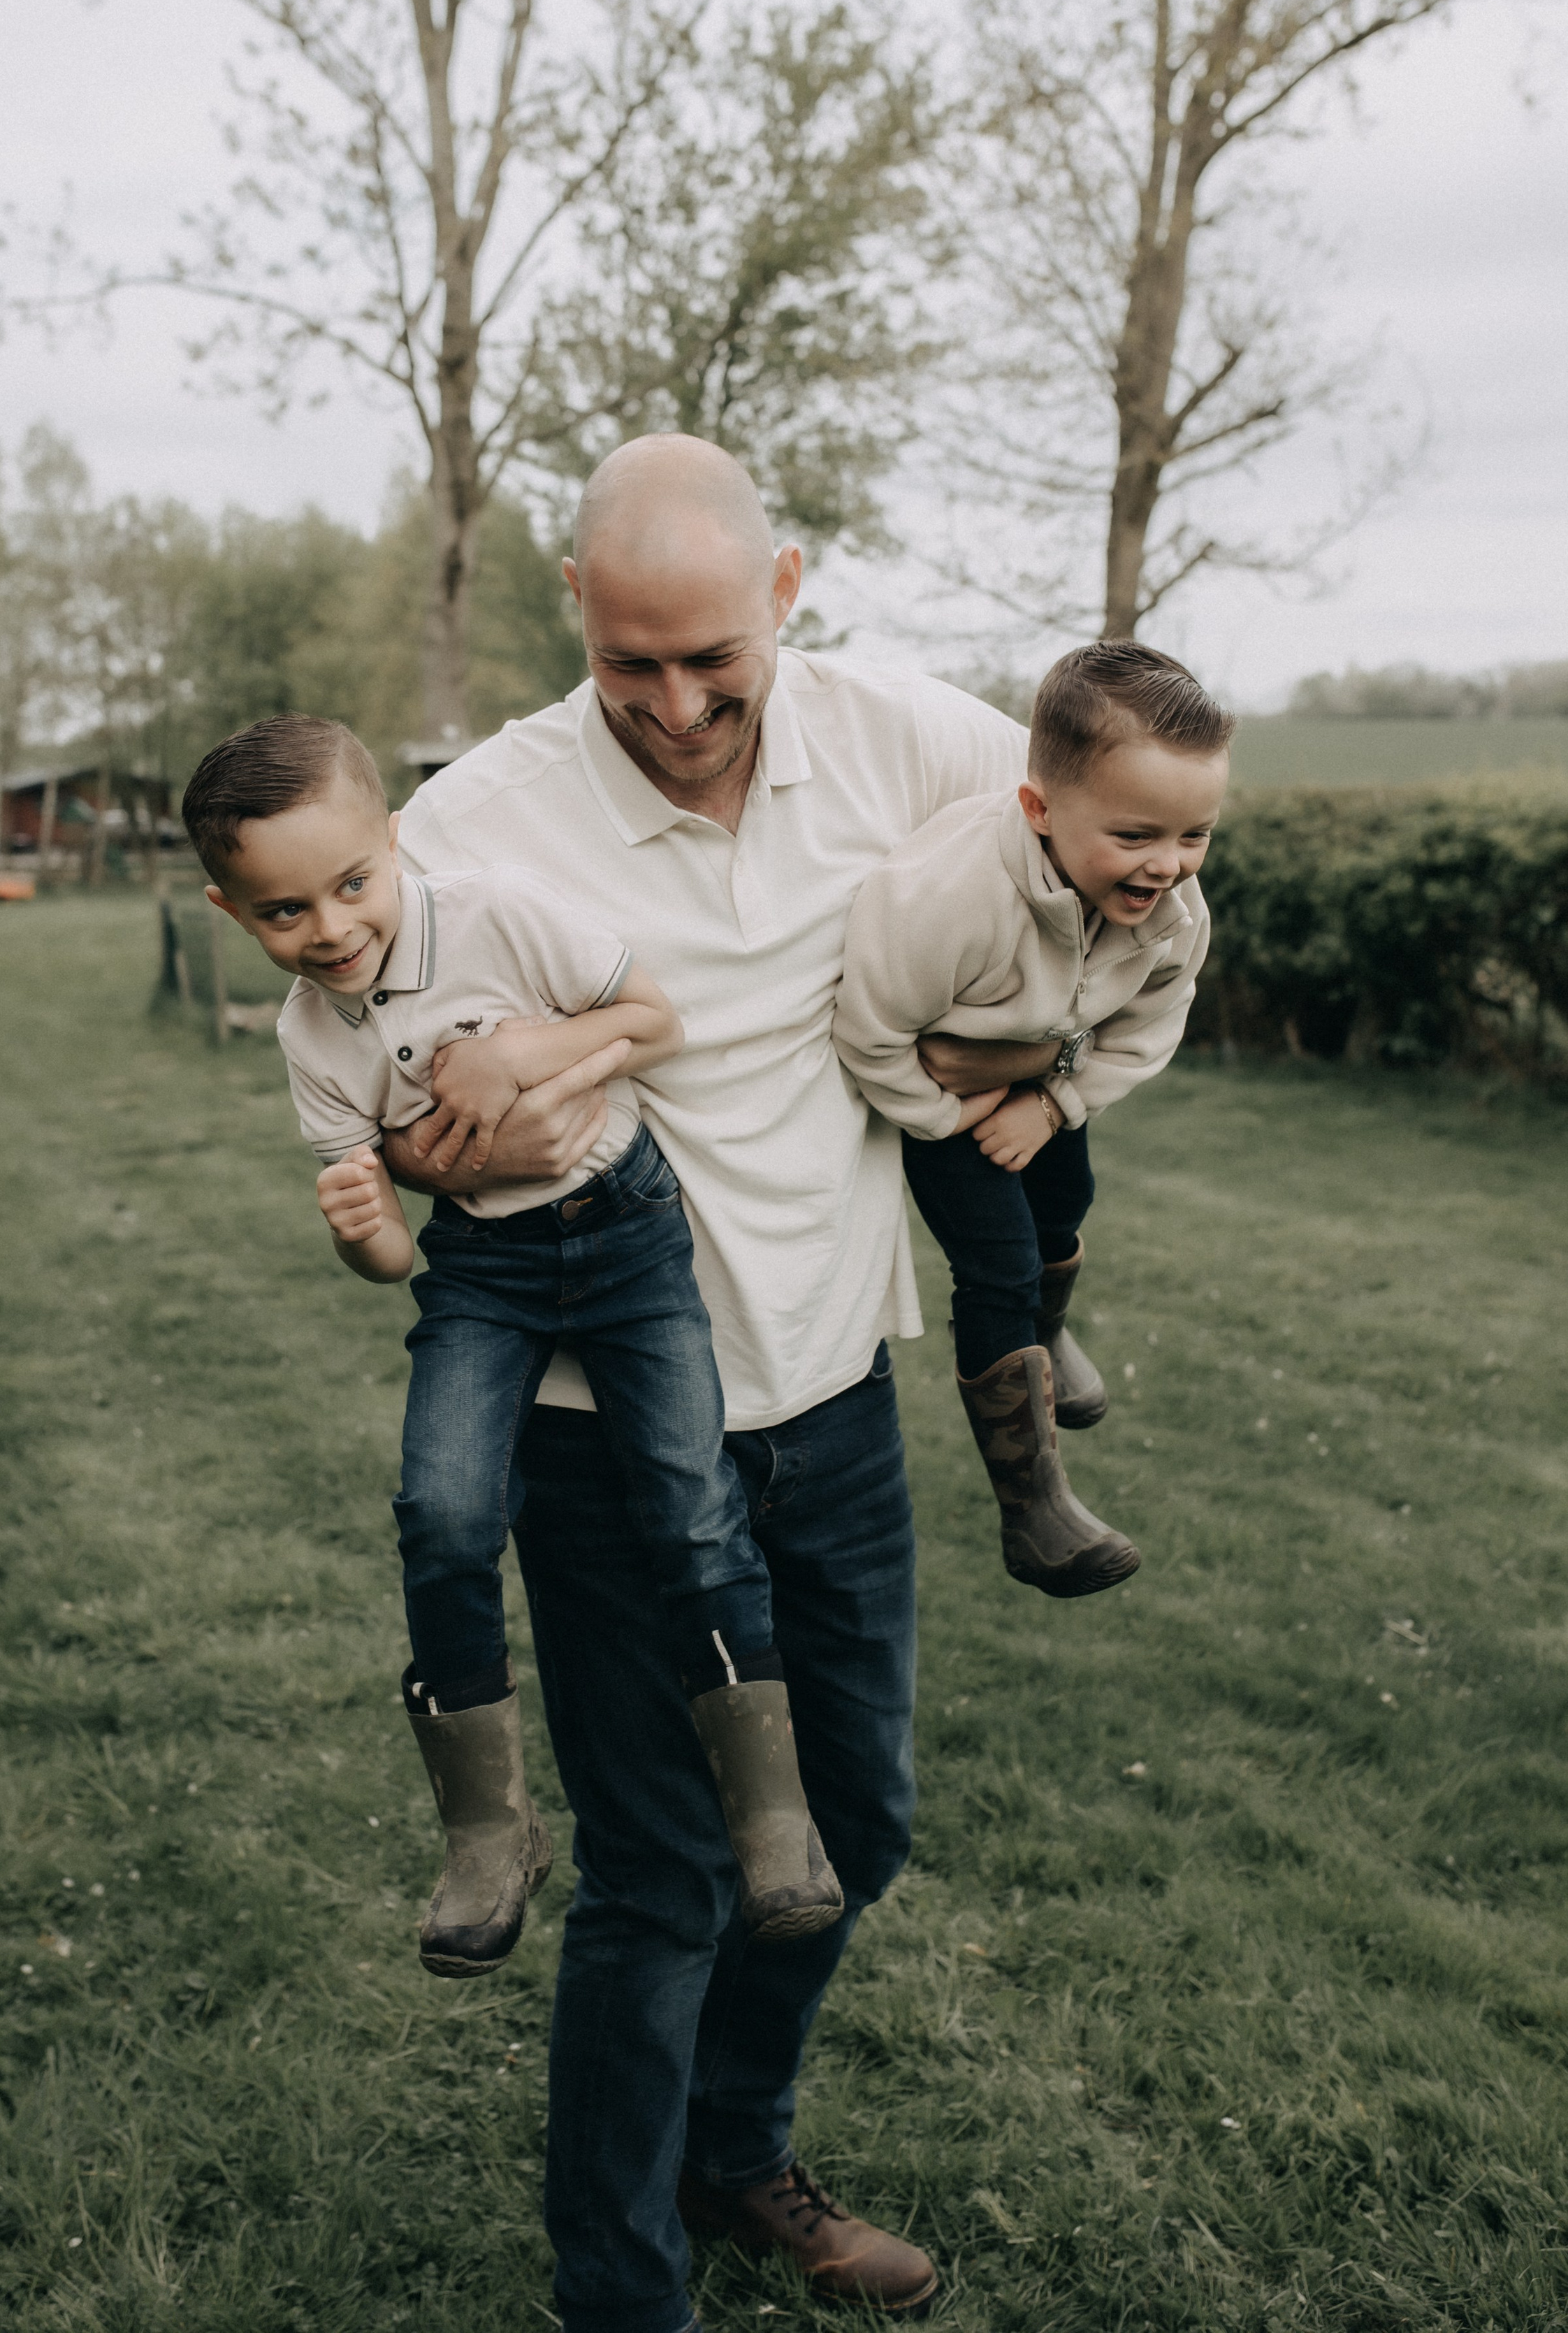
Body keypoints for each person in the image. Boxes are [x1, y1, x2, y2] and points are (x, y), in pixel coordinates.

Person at [384, 433, 1029, 2333]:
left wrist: (1057, 1066)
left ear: (790, 591)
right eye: (630, 661)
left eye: (713, 662)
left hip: (830, 1407)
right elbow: (379, 1083)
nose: (673, 706)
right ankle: (623, 2291)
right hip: (603, 1438)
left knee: (862, 1825)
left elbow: (1122, 831)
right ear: (573, 610)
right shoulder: (475, 820)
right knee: (666, 1882)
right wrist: (440, 1138)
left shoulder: (907, 742)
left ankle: (732, 2152)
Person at [181, 714, 843, 1979]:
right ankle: (487, 1831)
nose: (327, 929)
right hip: (482, 1272)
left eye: (353, 883)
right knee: (439, 1509)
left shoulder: (498, 914)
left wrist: (515, 1053)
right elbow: (388, 1267)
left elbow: (655, 1021)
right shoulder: (311, 1039)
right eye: (281, 912)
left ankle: (771, 1814)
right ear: (230, 909)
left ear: (394, 840)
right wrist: (362, 1228)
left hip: (628, 1237)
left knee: (694, 1505)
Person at [834, 640, 1232, 1598]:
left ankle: (1048, 1340)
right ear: (1040, 809)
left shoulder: (1174, 914)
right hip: (940, 1108)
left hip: (1051, 1078)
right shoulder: (944, 896)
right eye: (1137, 835)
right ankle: (1035, 1504)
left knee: (1068, 1203)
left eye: (1196, 835)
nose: (1168, 866)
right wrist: (949, 1113)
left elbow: (1152, 1023)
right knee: (1000, 1265)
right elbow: (871, 1029)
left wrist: (1053, 1102)